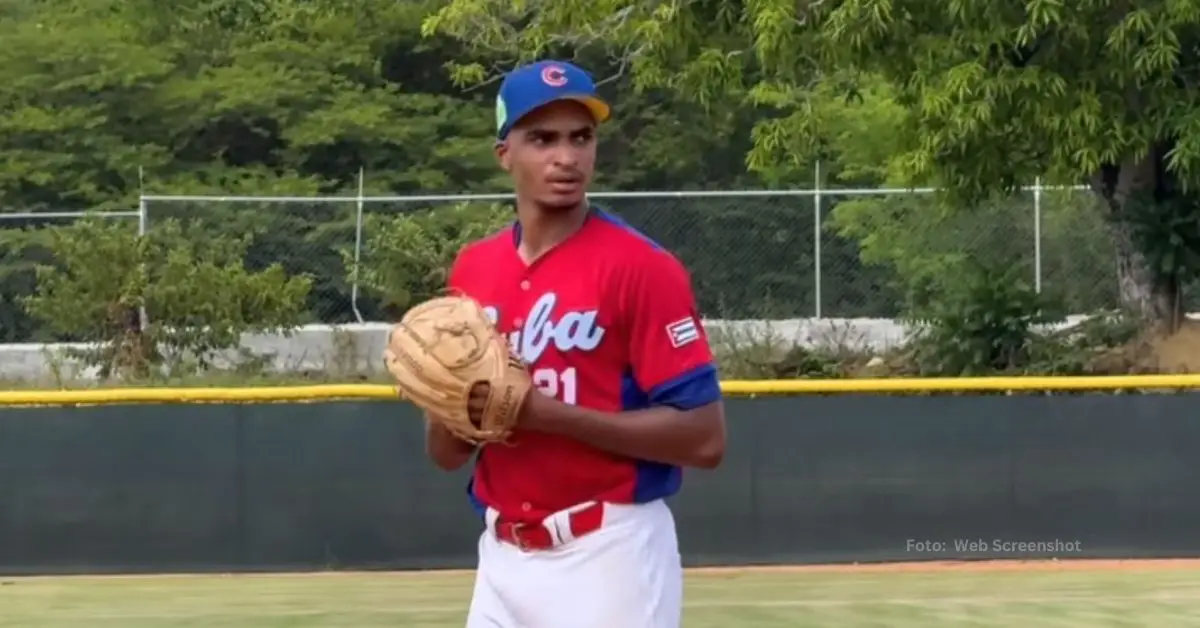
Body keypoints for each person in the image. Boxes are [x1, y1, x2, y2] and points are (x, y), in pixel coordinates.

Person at [425, 59, 727, 628]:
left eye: (581, 137)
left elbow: (705, 439)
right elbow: (446, 455)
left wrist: (546, 415)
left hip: (608, 553)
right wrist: (445, 400)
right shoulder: (474, 268)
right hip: (501, 556)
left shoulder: (643, 268)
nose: (566, 157)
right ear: (504, 153)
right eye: (542, 138)